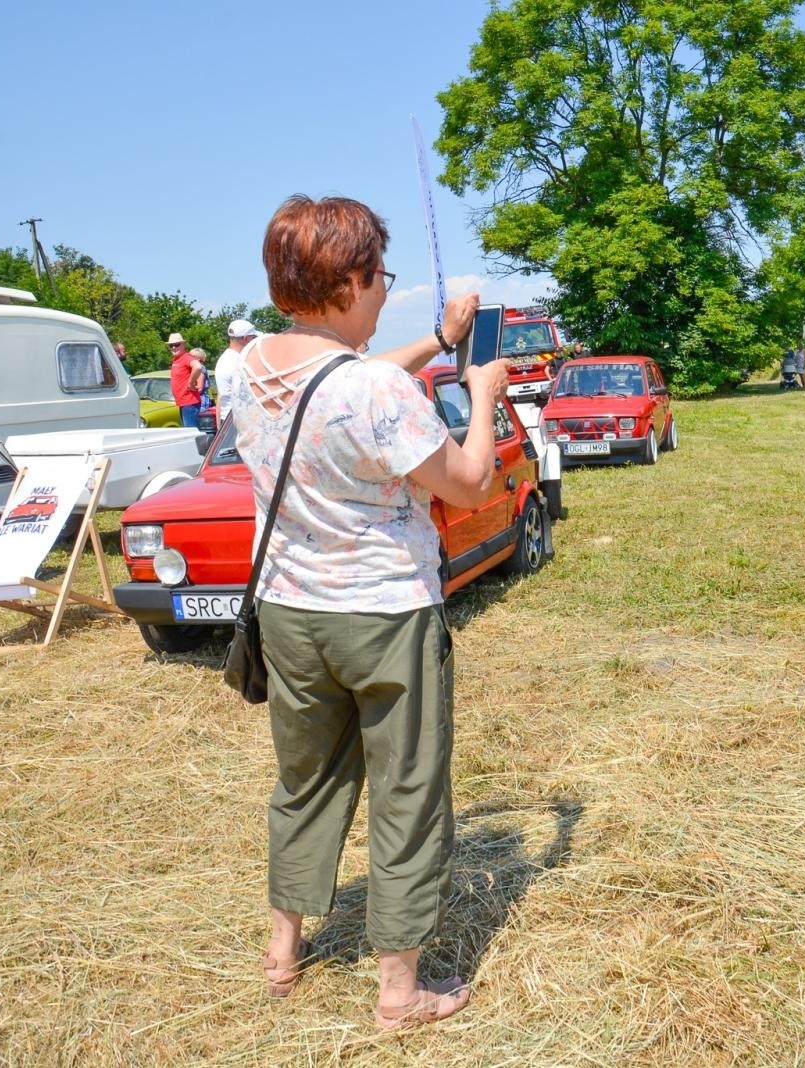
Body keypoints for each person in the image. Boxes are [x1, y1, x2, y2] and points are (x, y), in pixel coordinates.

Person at [233, 194, 508, 1031]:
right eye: (379, 278)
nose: (385, 292)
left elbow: (337, 377)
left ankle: (284, 951)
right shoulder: (379, 392)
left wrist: (440, 340)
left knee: (305, 781)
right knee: (408, 789)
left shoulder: (237, 367)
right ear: (350, 281)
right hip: (385, 616)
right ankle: (400, 990)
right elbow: (469, 482)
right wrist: (484, 391)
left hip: (287, 611)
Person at [214, 319, 256, 423]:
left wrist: (220, 427)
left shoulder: (223, 359)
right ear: (246, 338)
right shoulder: (240, 363)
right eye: (252, 338)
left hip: (227, 418)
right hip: (239, 420)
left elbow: (221, 395)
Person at [166, 333, 205, 427]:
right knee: (188, 433)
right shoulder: (176, 359)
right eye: (171, 345)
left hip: (190, 403)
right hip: (184, 403)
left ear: (183, 345)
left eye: (177, 344)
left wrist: (191, 382)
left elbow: (198, 367)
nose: (174, 347)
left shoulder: (186, 357)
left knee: (191, 434)